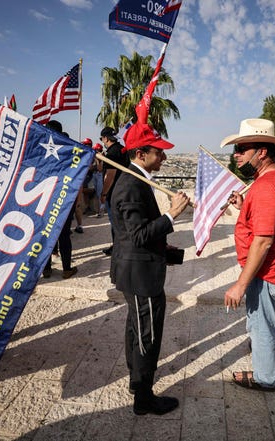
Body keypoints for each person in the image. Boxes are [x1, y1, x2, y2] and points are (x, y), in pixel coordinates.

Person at [110, 122, 190, 415]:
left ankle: (136, 380)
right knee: (148, 334)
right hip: (140, 276)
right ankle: (144, 397)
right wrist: (173, 214)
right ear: (141, 153)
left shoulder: (135, 179)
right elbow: (139, 234)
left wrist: (162, 248)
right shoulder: (131, 184)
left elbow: (135, 234)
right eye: (159, 153)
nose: (164, 158)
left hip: (136, 268)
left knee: (136, 327)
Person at [221, 118, 275, 392]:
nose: (236, 154)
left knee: (262, 325)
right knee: (259, 321)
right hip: (268, 270)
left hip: (267, 272)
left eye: (242, 148)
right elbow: (265, 223)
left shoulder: (266, 186)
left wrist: (241, 284)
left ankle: (265, 377)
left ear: (262, 152)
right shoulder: (273, 178)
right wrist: (245, 207)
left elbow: (263, 241)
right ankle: (261, 354)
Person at [41, 121, 77, 279]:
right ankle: (66, 269)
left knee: (46, 234)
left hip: (46, 197)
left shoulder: (40, 145)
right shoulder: (69, 147)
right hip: (64, 196)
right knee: (63, 235)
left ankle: (46, 269)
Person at [99, 126, 129, 256]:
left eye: (102, 139)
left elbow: (110, 175)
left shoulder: (112, 154)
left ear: (105, 138)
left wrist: (104, 193)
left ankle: (118, 248)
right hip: (124, 189)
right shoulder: (121, 150)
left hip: (114, 193)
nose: (102, 141)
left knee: (115, 222)